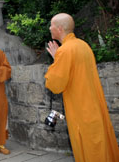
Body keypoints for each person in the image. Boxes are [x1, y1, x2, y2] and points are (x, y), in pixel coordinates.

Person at [45, 13, 119, 162]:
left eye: (51, 25)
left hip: (81, 109)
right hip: (93, 105)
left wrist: (56, 60)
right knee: (98, 143)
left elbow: (55, 84)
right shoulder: (82, 45)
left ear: (59, 28)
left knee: (88, 147)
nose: (49, 28)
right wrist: (58, 57)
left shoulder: (65, 50)